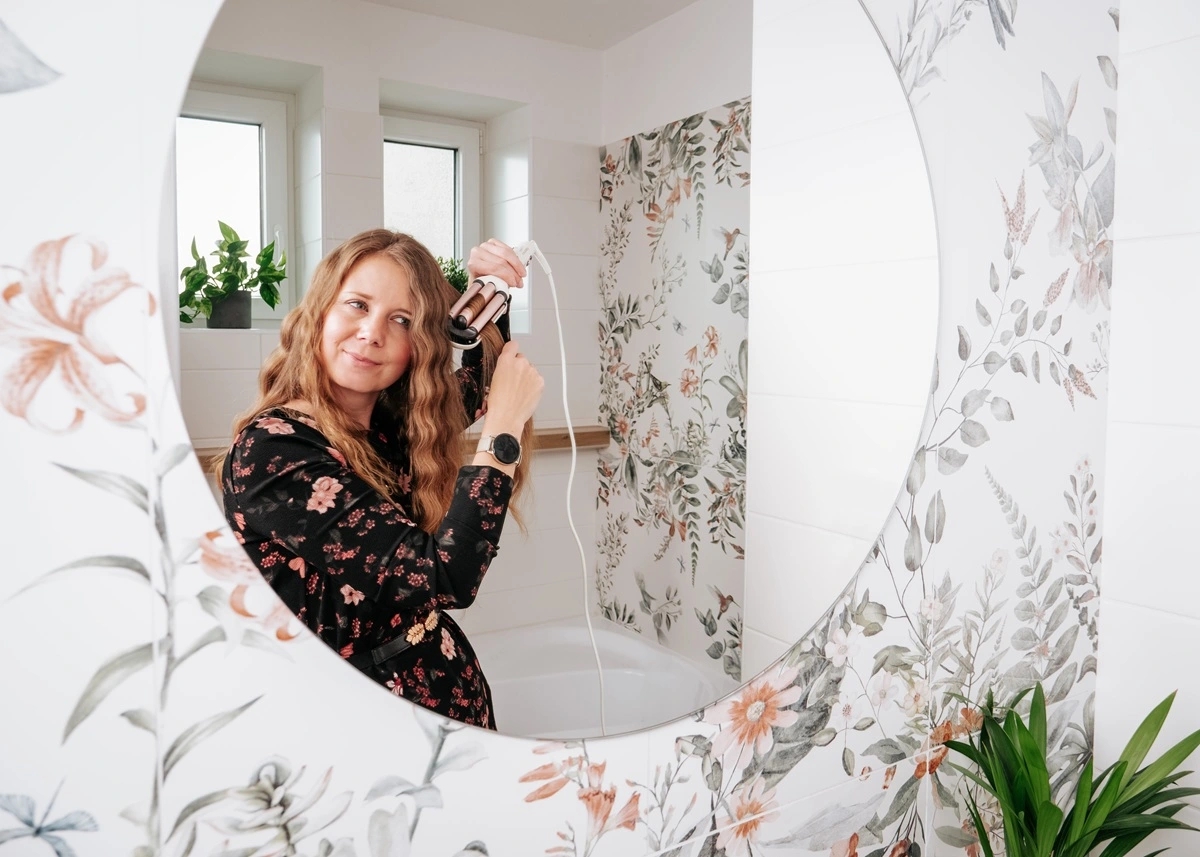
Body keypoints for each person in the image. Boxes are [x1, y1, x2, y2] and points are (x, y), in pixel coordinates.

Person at [218, 231, 543, 729]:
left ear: (421, 345)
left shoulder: (388, 423)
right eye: (357, 304)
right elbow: (445, 578)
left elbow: (485, 382)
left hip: (444, 693)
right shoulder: (275, 450)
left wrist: (488, 289)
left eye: (402, 320)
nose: (372, 333)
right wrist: (502, 435)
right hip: (368, 721)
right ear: (320, 312)